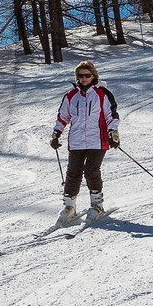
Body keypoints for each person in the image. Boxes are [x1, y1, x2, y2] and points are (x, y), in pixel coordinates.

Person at [50, 59, 120, 222]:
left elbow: (112, 116)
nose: (84, 78)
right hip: (77, 141)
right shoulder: (71, 95)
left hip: (98, 139)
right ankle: (69, 207)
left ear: (93, 75)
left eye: (87, 75)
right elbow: (63, 117)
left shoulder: (102, 94)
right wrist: (56, 133)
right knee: (73, 173)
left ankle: (97, 205)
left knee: (91, 170)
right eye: (80, 76)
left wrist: (113, 132)